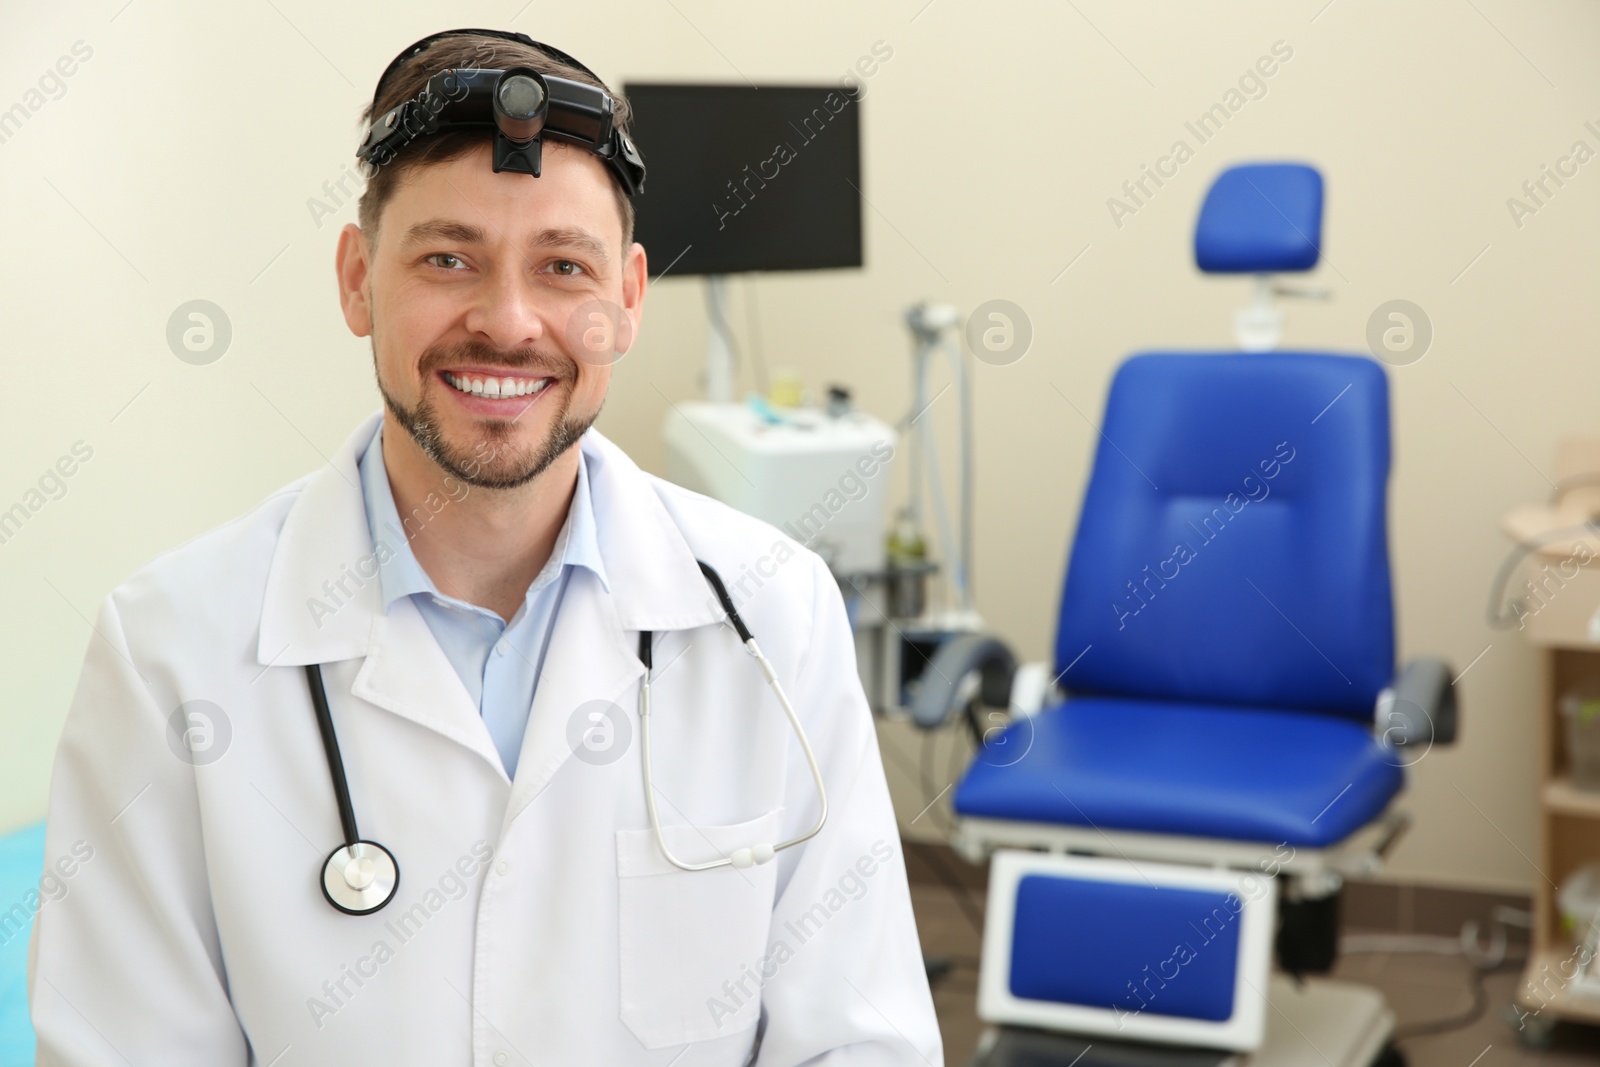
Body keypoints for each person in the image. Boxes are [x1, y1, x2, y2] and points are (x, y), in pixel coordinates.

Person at [27, 28, 941, 1065]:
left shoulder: (775, 613)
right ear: (357, 279)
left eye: (562, 266)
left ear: (627, 299)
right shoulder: (169, 652)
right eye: (448, 257)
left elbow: (859, 1042)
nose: (507, 322)